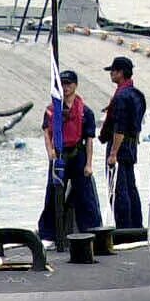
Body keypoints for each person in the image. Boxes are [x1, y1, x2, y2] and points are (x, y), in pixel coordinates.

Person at [41, 68, 101, 236]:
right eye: (63, 84)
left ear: (75, 85)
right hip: (59, 155)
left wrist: (89, 164)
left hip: (78, 155)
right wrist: (50, 152)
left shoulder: (85, 112)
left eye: (68, 84)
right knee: (53, 194)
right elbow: (47, 132)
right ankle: (49, 233)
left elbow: (89, 140)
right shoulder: (52, 110)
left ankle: (91, 230)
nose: (65, 87)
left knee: (85, 195)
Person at [100, 56, 147, 229]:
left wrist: (113, 154)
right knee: (131, 187)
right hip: (132, 145)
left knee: (119, 190)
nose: (111, 74)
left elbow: (119, 128)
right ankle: (136, 225)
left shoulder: (121, 97)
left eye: (113, 71)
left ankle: (124, 227)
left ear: (120, 73)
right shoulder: (137, 95)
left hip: (119, 146)